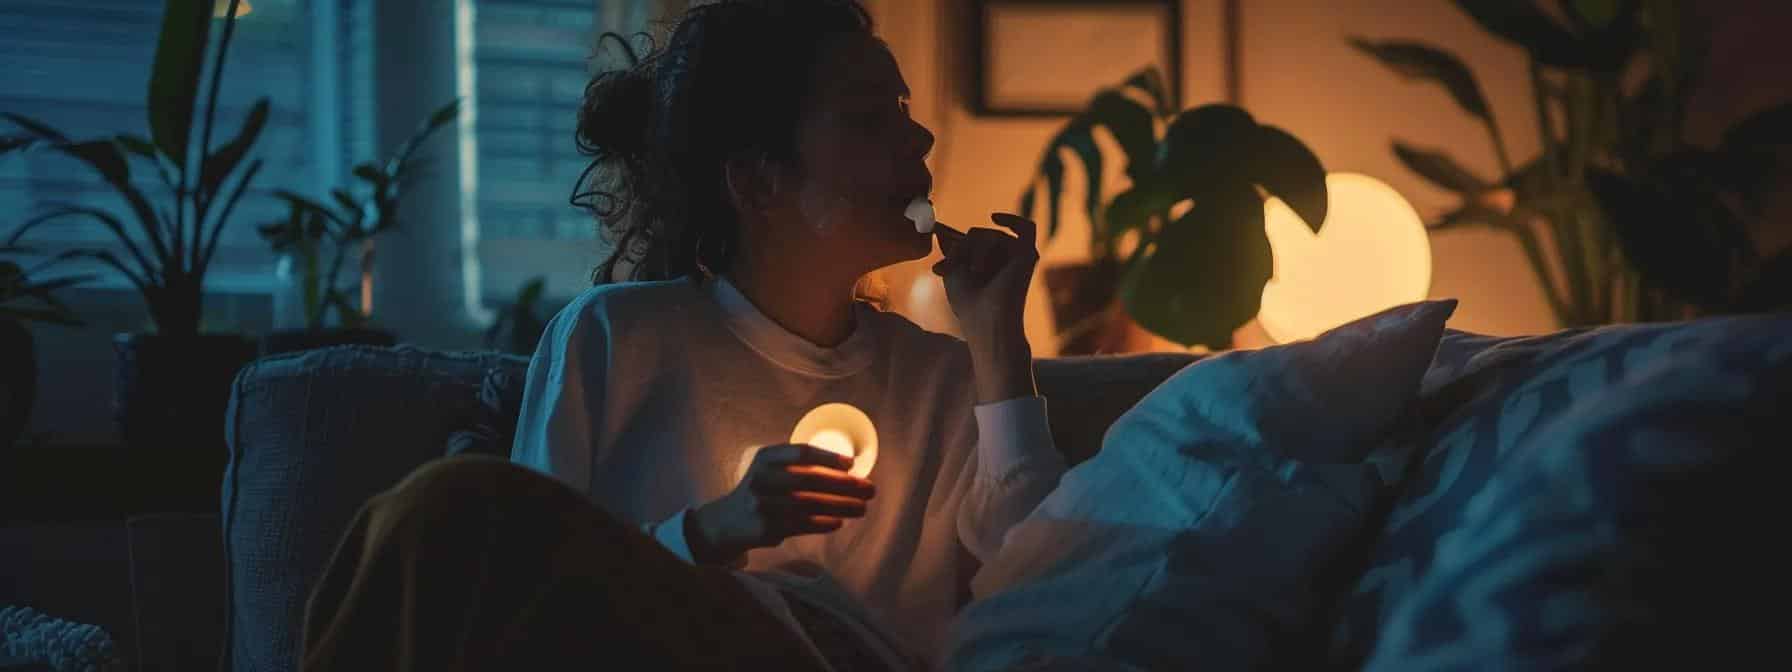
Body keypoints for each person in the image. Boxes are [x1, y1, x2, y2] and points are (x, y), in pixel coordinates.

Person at [298, 1, 1063, 670]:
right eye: (871, 117)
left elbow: (1046, 579)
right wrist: (713, 530)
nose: (922, 136)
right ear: (758, 181)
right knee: (436, 512)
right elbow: (527, 593)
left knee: (440, 505)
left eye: (903, 108)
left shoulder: (943, 374)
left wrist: (998, 340)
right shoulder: (616, 337)